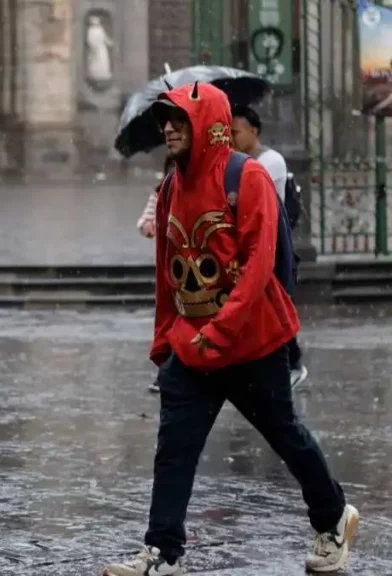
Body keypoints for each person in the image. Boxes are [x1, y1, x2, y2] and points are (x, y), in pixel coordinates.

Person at [102, 82, 358, 576]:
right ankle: (163, 551)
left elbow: (260, 264)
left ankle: (333, 519)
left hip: (252, 341)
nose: (169, 128)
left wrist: (218, 331)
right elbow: (167, 268)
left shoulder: (249, 176)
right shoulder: (173, 183)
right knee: (173, 450)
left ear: (211, 124)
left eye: (179, 119)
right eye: (165, 120)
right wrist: (164, 338)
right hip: (193, 345)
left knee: (286, 436)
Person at [230, 103, 308, 388]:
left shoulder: (269, 161)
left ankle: (293, 362)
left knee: (274, 302)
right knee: (261, 306)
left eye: (236, 132)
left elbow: (241, 195)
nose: (231, 138)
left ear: (254, 130)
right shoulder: (239, 161)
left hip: (271, 243)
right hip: (250, 242)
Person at [137, 157, 175, 394]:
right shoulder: (160, 192)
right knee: (170, 320)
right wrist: (150, 227)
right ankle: (166, 374)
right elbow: (144, 221)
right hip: (168, 266)